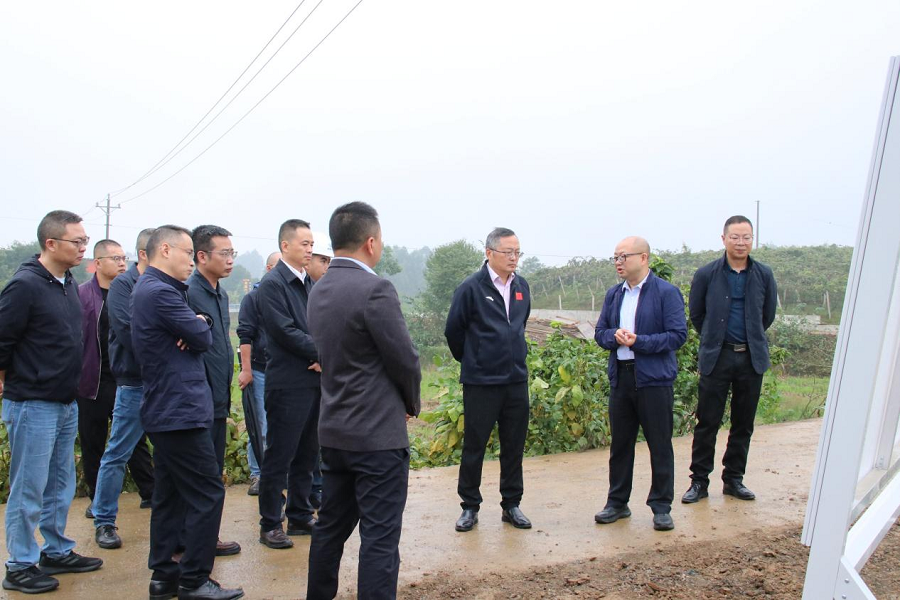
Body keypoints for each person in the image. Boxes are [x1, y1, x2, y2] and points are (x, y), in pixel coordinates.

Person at [306, 201, 421, 600]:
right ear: (371, 242)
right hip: (376, 438)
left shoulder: (319, 290)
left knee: (329, 528)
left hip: (335, 432)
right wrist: (410, 403)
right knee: (380, 537)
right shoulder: (375, 289)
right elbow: (404, 359)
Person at [132, 225, 243, 600]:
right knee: (207, 492)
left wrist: (200, 321)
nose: (191, 261)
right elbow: (200, 338)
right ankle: (194, 579)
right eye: (186, 253)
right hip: (179, 408)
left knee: (170, 495)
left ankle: (164, 576)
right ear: (165, 250)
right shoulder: (161, 292)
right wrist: (198, 326)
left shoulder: (157, 289)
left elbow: (200, 329)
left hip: (168, 408)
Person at [0, 210, 102, 594]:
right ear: (51, 243)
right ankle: (19, 564)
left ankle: (56, 550)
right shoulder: (25, 285)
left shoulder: (66, 283)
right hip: (33, 402)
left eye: (85, 240)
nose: (83, 247)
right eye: (77, 241)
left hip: (65, 401)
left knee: (60, 483)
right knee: (28, 487)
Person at [681, 216, 778, 504]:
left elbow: (767, 316)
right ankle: (699, 481)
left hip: (750, 358)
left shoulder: (764, 274)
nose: (741, 243)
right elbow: (697, 314)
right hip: (717, 357)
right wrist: (715, 339)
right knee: (707, 422)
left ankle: (734, 480)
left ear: (752, 240)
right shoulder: (706, 274)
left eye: (746, 237)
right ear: (724, 239)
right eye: (735, 237)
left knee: (743, 423)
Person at [593, 236, 687, 531]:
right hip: (621, 377)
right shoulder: (614, 294)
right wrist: (614, 336)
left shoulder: (666, 293)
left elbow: (677, 335)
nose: (618, 263)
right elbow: (600, 332)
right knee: (620, 445)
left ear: (644, 258)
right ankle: (617, 503)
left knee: (659, 444)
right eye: (615, 258)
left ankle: (661, 506)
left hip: (654, 380)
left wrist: (639, 341)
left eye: (624, 257)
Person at [445, 227, 533, 532]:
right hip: (481, 382)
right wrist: (474, 359)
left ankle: (512, 504)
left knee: (514, 445)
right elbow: (453, 332)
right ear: (489, 253)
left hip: (515, 380)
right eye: (508, 252)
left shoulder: (521, 286)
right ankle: (469, 506)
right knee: (475, 445)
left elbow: (520, 325)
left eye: (517, 252)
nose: (513, 258)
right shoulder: (471, 288)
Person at [77, 239, 154, 521]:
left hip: (123, 374)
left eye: (123, 258)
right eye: (115, 258)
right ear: (97, 263)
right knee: (94, 442)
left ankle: (150, 492)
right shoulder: (83, 294)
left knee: (135, 441)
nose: (122, 263)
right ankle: (97, 499)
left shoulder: (134, 289)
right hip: (93, 378)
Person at [256, 220, 321, 550]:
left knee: (307, 454)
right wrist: (322, 351)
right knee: (279, 456)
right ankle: (270, 523)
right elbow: (284, 331)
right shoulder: (273, 284)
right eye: (304, 244)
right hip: (287, 383)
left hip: (313, 379)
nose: (310, 249)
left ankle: (299, 514)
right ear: (285, 246)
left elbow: (318, 325)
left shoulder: (307, 281)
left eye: (312, 244)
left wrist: (322, 354)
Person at [93, 229, 158, 550]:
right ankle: (104, 520)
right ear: (145, 254)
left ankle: (174, 515)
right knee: (118, 452)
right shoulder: (123, 285)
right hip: (134, 382)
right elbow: (128, 330)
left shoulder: (168, 284)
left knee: (172, 452)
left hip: (163, 382)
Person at [186, 225, 241, 557]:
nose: (230, 259)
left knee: (212, 470)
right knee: (199, 475)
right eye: (225, 253)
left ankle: (207, 536)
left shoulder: (220, 294)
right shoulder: (189, 292)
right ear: (202, 256)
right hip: (198, 399)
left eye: (232, 253)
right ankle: (190, 542)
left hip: (219, 398)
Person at [236, 251, 281, 497]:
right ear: (268, 268)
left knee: (280, 424)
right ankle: (257, 474)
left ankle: (277, 473)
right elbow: (245, 335)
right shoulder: (253, 298)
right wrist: (246, 370)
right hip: (260, 369)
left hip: (282, 370)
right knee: (260, 424)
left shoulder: (286, 296)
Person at [305, 231, 333, 509]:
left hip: (325, 375)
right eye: (322, 260)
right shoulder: (298, 290)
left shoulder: (326, 292)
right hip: (302, 374)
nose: (326, 267)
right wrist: (320, 356)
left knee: (318, 437)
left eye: (329, 261)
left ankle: (317, 486)